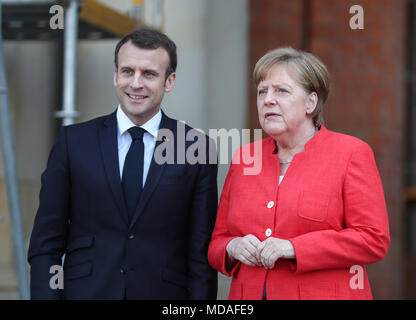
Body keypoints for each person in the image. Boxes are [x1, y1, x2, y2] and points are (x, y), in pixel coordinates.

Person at [28, 28, 218, 300]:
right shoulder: (74, 142)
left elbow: (200, 254)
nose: (136, 83)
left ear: (169, 81)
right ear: (115, 75)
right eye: (128, 71)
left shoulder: (195, 147)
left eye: (149, 74)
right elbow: (46, 243)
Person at [208, 47, 390, 300]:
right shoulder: (244, 158)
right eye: (262, 91)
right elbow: (217, 242)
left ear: (310, 102)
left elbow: (373, 240)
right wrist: (232, 247)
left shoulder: (351, 153)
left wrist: (294, 247)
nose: (268, 99)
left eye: (281, 90)